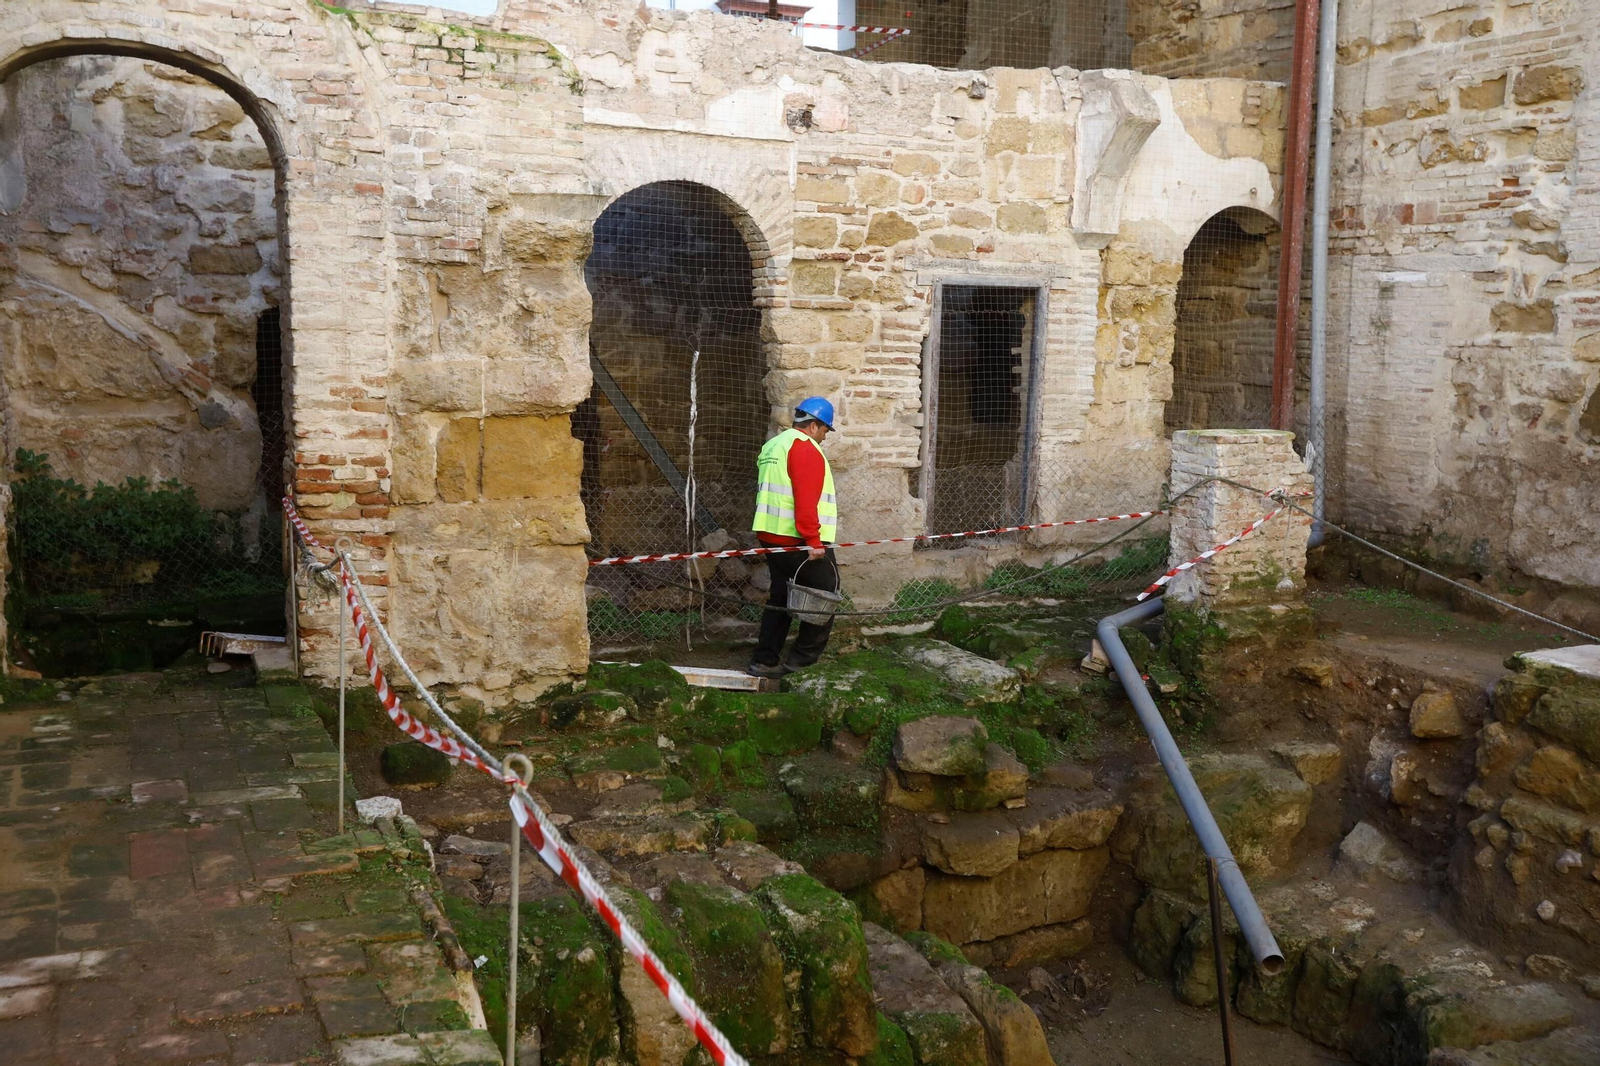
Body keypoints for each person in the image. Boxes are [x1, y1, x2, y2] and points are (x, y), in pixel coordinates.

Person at [746, 396, 841, 678]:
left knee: (781, 596)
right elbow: (805, 499)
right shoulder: (805, 448)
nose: (824, 437)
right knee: (825, 594)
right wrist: (813, 541)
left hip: (771, 534)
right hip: (797, 539)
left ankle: (764, 660)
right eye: (825, 430)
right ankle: (801, 663)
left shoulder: (774, 445)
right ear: (813, 426)